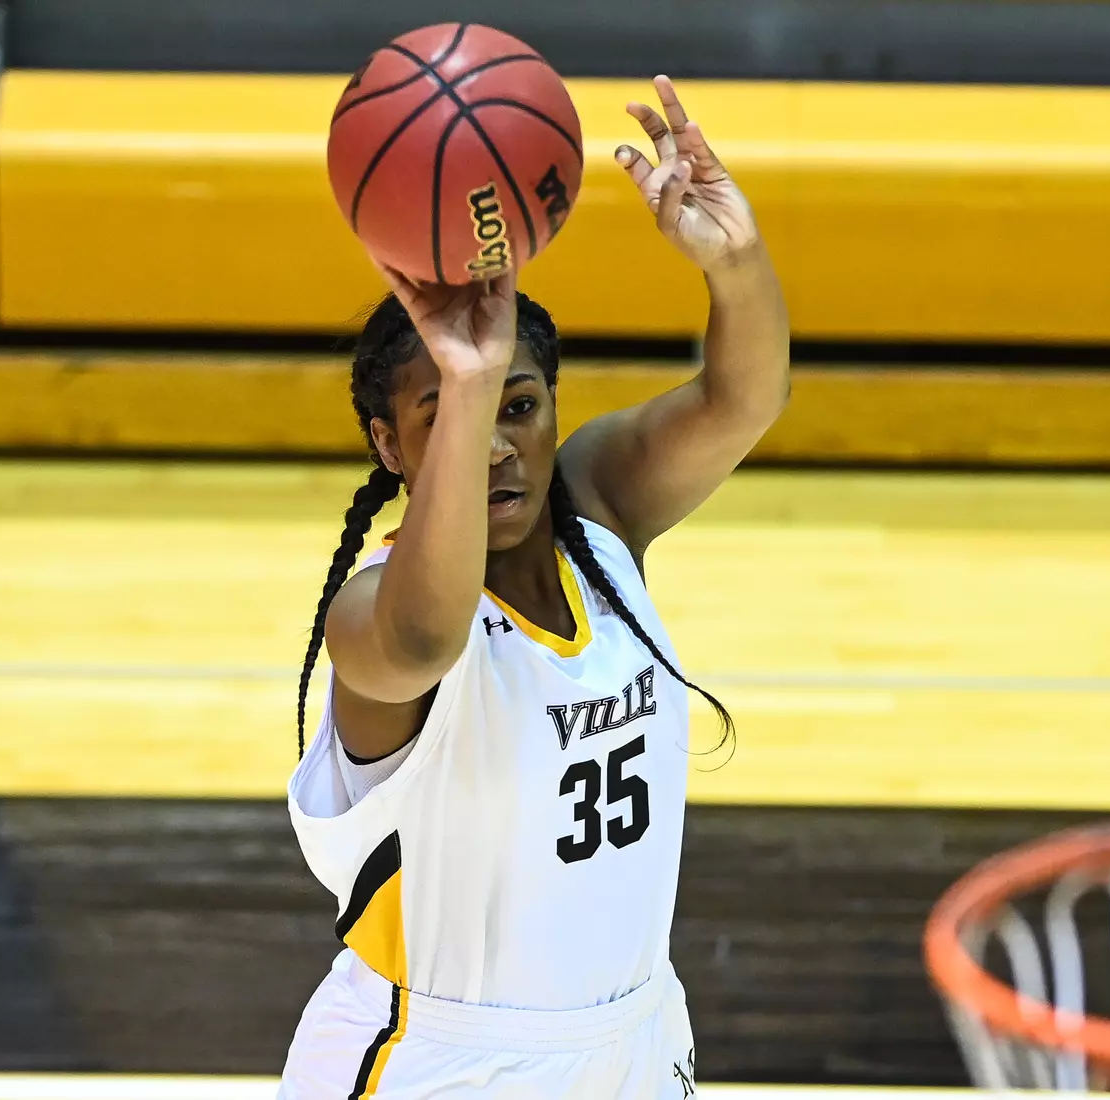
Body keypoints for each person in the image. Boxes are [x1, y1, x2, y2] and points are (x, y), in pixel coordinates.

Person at [278, 77, 790, 1099]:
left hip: (632, 1041)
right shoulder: (373, 616)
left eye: (519, 405)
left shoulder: (598, 507)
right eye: (449, 416)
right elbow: (424, 641)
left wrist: (733, 257)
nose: (495, 446)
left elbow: (743, 399)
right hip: (438, 1063)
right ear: (390, 444)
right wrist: (469, 373)